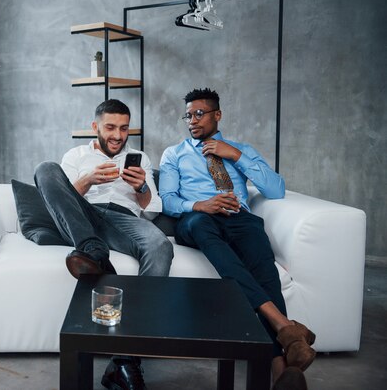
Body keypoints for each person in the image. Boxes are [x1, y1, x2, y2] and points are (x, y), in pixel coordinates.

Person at [159, 88, 315, 389]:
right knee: (206, 229)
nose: (192, 120)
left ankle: (281, 369)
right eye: (188, 115)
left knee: (264, 267)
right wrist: (200, 205)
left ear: (217, 115)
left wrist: (235, 156)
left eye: (199, 113)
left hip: (238, 217)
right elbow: (167, 199)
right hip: (197, 219)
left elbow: (276, 189)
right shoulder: (174, 154)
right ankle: (285, 326)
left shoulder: (239, 149)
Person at [34, 99, 173, 390]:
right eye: (110, 127)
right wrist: (87, 181)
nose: (117, 135)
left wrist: (142, 187)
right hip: (82, 215)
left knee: (160, 246)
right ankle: (92, 248)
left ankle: (125, 360)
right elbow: (57, 200)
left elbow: (152, 212)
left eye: (124, 129)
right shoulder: (76, 155)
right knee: (45, 169)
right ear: (95, 126)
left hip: (122, 219)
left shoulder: (139, 157)